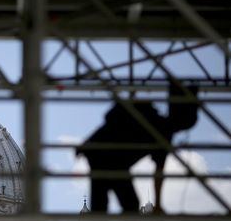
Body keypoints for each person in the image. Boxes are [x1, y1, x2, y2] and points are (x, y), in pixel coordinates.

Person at [75, 83, 199, 213]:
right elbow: (158, 172)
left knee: (107, 203)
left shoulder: (151, 116)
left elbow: (110, 123)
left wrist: (87, 143)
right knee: (127, 204)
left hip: (100, 153)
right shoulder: (162, 130)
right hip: (109, 158)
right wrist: (157, 205)